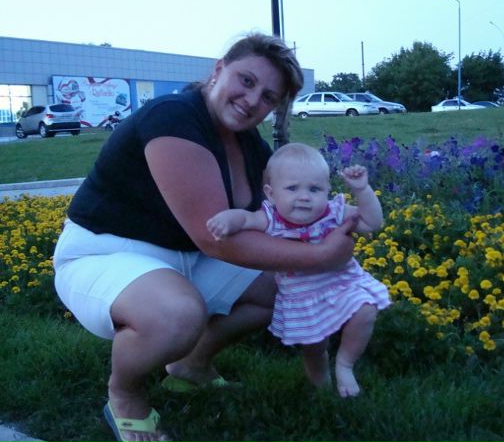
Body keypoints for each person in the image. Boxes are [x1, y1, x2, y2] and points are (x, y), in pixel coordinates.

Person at [53, 34, 357, 442]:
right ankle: (124, 394)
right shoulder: (173, 117)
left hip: (186, 257)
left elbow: (274, 220)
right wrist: (321, 256)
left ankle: (190, 365)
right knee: (176, 314)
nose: (252, 100)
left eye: (268, 97)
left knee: (282, 285)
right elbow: (214, 239)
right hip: (104, 251)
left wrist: (337, 224)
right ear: (218, 70)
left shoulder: (250, 145)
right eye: (246, 81)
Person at [207, 143, 391, 398]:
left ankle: (345, 364)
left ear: (327, 191)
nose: (304, 197)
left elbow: (372, 222)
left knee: (366, 309)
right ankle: (322, 388)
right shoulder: (270, 219)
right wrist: (228, 219)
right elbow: (245, 219)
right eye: (293, 188)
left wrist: (362, 190)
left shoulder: (333, 212)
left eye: (315, 189)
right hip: (302, 296)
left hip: (342, 283)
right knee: (314, 348)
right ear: (271, 194)